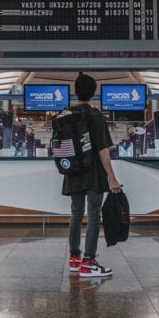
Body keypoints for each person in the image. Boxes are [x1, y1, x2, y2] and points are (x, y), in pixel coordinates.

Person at [61, 73, 122, 279]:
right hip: (93, 172)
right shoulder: (95, 116)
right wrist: (112, 177)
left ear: (76, 92)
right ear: (93, 92)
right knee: (94, 214)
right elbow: (103, 151)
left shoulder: (65, 114)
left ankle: (74, 259)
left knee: (76, 214)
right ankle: (89, 263)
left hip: (73, 171)